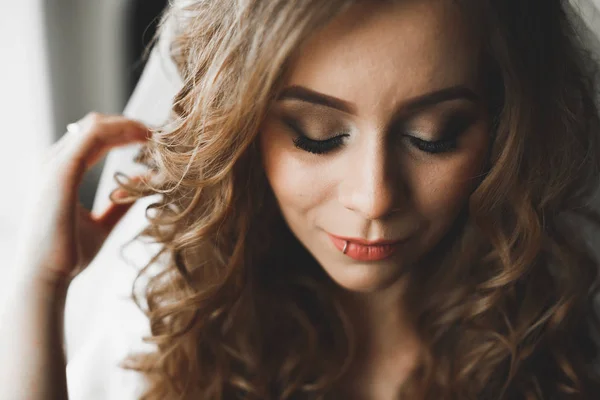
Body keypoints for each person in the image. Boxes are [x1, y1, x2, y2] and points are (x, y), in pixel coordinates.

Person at [3, 0, 600, 398]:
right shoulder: (178, 329)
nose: (374, 198)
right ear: (241, 131)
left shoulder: (570, 333)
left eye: (433, 136)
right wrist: (39, 287)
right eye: (317, 135)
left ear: (504, 126)